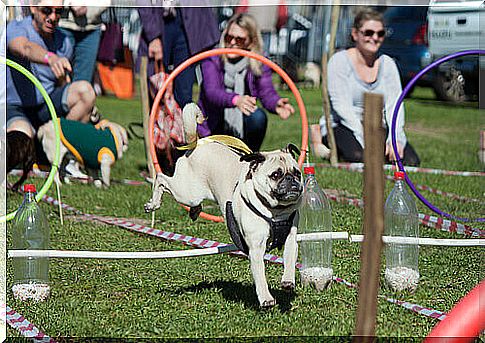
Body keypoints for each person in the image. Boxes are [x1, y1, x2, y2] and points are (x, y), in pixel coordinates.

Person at [315, 8, 420, 166]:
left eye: (380, 33)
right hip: (344, 125)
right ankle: (323, 143)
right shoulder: (339, 62)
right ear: (355, 34)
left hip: (377, 125)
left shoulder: (388, 64)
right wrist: (367, 140)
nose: (375, 38)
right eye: (369, 33)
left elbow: (395, 106)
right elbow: (341, 107)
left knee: (410, 161)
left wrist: (395, 138)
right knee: (360, 157)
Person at [198, 13, 294, 152]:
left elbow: (266, 91)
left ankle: (249, 157)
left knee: (258, 117)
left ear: (251, 41)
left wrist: (276, 103)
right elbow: (211, 92)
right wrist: (236, 100)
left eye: (240, 39)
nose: (232, 43)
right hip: (213, 122)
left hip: (243, 120)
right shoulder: (212, 58)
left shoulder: (259, 61)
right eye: (229, 37)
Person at [6, 0, 97, 139]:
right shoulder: (17, 28)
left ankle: (59, 145)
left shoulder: (64, 41)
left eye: (59, 11)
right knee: (21, 133)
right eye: (47, 10)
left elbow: (62, 85)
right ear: (33, 7)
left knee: (86, 92)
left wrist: (63, 80)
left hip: (45, 107)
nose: (53, 17)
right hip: (15, 107)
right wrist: (50, 58)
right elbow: (25, 48)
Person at [137, 0, 220, 108]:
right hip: (160, 20)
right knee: (157, 86)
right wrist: (153, 36)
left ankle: (183, 121)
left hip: (188, 22)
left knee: (184, 92)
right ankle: (156, 122)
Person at [58, 3, 109, 83]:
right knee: (59, 76)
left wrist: (90, 9)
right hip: (63, 23)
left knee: (83, 82)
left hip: (92, 27)